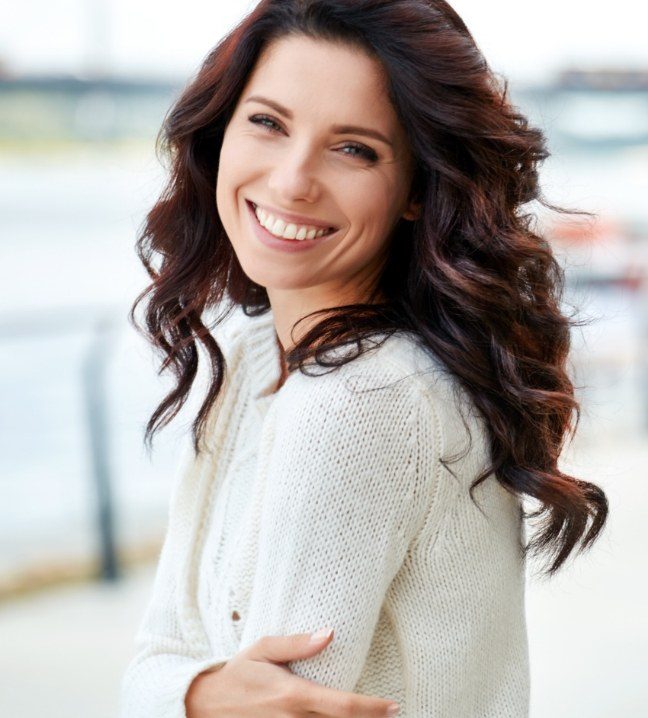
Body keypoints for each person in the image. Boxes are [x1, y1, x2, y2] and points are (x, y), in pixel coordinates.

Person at [120, 1, 609, 717]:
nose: (291, 181)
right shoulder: (255, 357)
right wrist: (198, 694)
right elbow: (153, 658)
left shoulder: (361, 399)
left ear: (415, 190)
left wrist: (184, 694)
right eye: (268, 122)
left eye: (354, 149)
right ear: (220, 129)